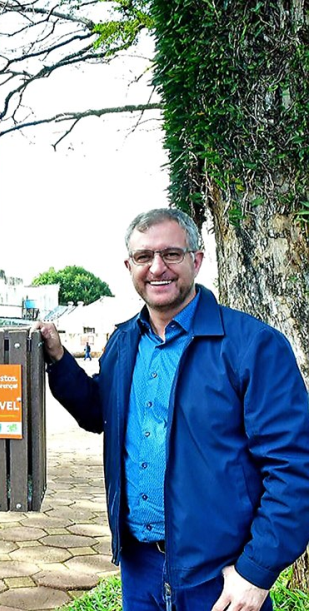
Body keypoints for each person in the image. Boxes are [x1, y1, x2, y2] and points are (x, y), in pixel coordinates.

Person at [32, 208, 309, 611]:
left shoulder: (253, 346)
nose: (157, 268)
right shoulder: (123, 342)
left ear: (196, 259)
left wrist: (256, 570)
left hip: (220, 577)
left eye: (171, 254)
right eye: (144, 257)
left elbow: (294, 466)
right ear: (130, 266)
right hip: (139, 568)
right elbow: (98, 411)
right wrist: (58, 358)